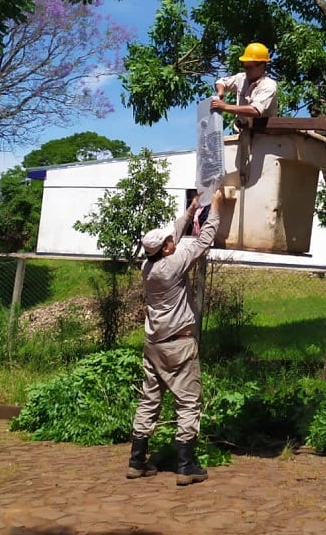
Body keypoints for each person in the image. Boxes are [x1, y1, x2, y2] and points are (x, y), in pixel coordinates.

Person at [126, 187, 226, 486]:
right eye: (170, 240)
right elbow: (204, 241)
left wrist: (192, 208)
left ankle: (136, 461)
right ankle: (186, 465)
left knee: (149, 400)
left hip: (153, 344)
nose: (174, 239)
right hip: (178, 346)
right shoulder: (175, 263)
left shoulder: (148, 265)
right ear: (167, 249)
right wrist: (216, 208)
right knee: (188, 401)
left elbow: (176, 236)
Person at [211, 42, 278, 127]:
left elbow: (255, 110)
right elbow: (221, 82)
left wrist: (224, 106)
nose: (246, 71)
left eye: (249, 68)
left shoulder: (268, 85)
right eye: (245, 67)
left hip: (264, 135)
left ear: (261, 66)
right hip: (244, 134)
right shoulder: (241, 78)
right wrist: (220, 92)